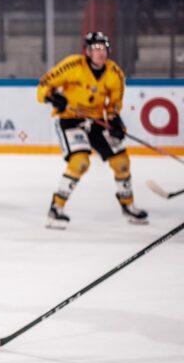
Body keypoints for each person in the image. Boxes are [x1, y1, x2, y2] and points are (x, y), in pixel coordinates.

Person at [37, 31, 147, 228]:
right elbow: (45, 84)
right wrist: (52, 97)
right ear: (87, 51)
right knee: (80, 163)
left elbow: (114, 105)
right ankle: (56, 208)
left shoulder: (115, 74)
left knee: (121, 162)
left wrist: (115, 123)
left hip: (95, 121)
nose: (100, 52)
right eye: (95, 48)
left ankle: (128, 206)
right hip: (70, 120)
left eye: (103, 48)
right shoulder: (73, 65)